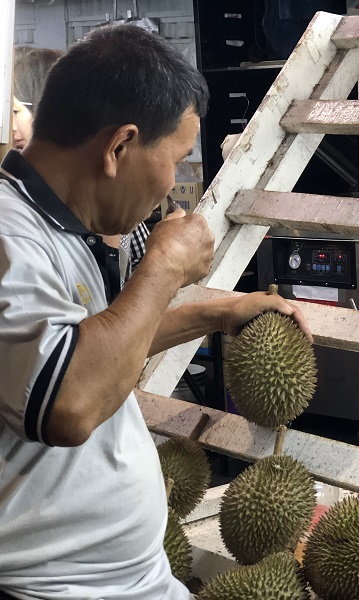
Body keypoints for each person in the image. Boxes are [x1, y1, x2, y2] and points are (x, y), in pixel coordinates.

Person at [0, 25, 312, 599]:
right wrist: (163, 268)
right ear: (118, 147)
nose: (174, 184)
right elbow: (67, 403)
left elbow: (93, 349)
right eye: (176, 160)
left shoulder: (65, 226)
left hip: (131, 576)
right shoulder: (9, 237)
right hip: (53, 587)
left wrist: (214, 316)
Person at [11, 45, 148, 282]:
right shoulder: (17, 208)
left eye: (15, 111)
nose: (10, 128)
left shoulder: (116, 201)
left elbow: (141, 271)